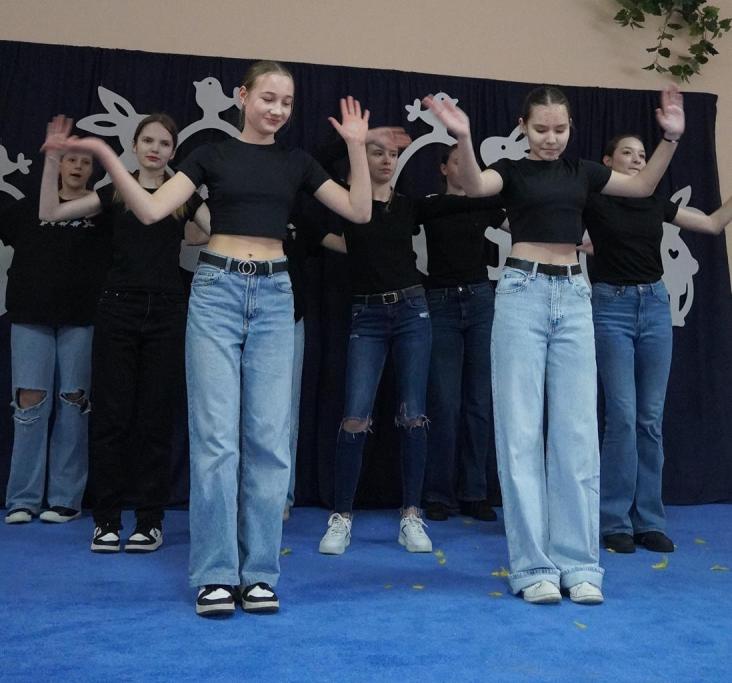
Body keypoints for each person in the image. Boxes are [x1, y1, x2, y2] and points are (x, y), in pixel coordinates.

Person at [45, 60, 372, 617]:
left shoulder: (297, 161)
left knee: (269, 442)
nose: (277, 110)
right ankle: (217, 573)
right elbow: (152, 209)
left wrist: (358, 148)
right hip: (217, 291)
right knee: (216, 440)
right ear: (242, 96)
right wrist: (105, 156)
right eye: (267, 97)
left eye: (287, 102)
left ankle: (260, 572)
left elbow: (359, 211)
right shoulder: (210, 155)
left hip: (274, 295)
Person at [424, 84, 684, 604]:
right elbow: (474, 184)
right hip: (521, 292)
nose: (550, 138)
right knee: (520, 431)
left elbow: (642, 185)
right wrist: (465, 136)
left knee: (577, 433)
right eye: (541, 129)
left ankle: (580, 564)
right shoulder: (513, 171)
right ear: (523, 127)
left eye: (560, 129)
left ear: (571, 129)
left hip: (574, 294)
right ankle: (532, 567)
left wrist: (670, 139)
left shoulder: (583, 172)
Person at [317, 134, 504, 556]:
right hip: (366, 315)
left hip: (412, 310)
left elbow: (467, 203)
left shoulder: (411, 205)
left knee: (414, 415)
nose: (387, 160)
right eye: (378, 153)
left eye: (394, 154)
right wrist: (358, 140)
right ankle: (342, 516)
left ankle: (412, 514)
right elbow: (319, 165)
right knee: (355, 415)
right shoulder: (345, 201)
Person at [39, 114, 209, 554]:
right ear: (134, 145)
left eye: (164, 143)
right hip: (118, 308)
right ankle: (107, 520)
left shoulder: (183, 194)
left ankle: (149, 522)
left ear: (174, 151)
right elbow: (50, 212)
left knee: (156, 419)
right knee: (111, 418)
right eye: (148, 140)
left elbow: (220, 230)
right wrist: (52, 158)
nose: (155, 149)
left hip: (167, 310)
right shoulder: (116, 189)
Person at [582, 133, 732, 555]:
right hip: (611, 307)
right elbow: (545, 224)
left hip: (653, 305)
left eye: (642, 155)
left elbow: (711, 224)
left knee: (649, 419)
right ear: (607, 160)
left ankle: (648, 521)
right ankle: (615, 521)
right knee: (622, 417)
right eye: (627, 153)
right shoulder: (593, 199)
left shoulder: (654, 201)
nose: (636, 159)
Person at [3, 152, 109, 525]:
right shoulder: (27, 208)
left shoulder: (102, 212)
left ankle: (65, 498)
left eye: (85, 162)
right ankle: (22, 498)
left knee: (73, 403)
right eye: (70, 160)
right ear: (58, 165)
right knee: (29, 404)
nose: (77, 166)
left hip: (81, 319)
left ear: (94, 170)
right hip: (30, 316)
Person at [422, 144, 504, 523]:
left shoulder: (485, 204)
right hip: (440, 301)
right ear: (443, 168)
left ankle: (475, 491)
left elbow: (523, 226)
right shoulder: (430, 205)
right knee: (444, 401)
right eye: (457, 161)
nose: (464, 167)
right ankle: (438, 493)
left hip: (480, 299)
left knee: (479, 401)